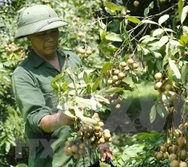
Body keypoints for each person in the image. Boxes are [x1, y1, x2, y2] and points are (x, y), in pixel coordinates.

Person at [11, 4, 112, 167]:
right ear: (29, 37)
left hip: (88, 159)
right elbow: (38, 120)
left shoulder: (72, 59)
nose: (50, 38)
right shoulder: (23, 74)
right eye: (43, 34)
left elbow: (89, 105)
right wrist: (62, 118)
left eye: (54, 31)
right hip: (56, 162)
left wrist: (100, 141)